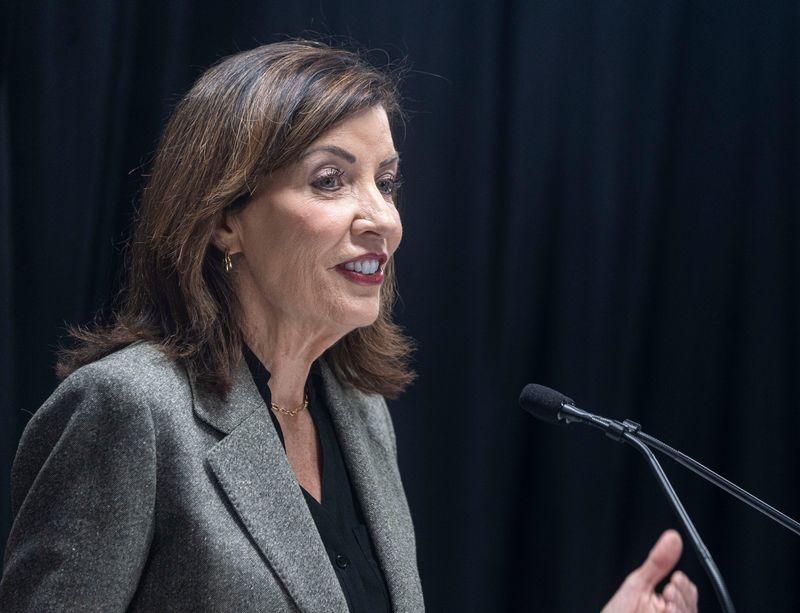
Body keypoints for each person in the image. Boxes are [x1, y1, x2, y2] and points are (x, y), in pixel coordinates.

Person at [0, 41, 697, 612]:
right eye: (331, 180)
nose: (382, 219)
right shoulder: (129, 410)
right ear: (223, 220)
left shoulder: (359, 413)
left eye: (385, 182)